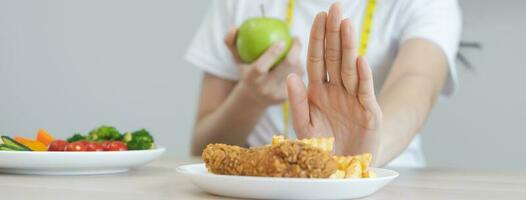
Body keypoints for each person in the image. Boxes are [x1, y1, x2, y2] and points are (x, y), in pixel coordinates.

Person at [185, 0, 461, 167]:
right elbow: (203, 148)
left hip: (383, 187)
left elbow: (415, 82)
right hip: (265, 187)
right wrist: (251, 99)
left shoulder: (425, 4)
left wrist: (363, 154)